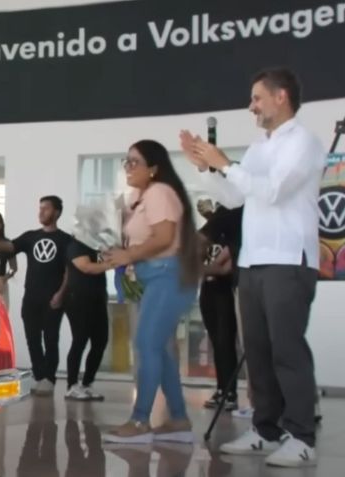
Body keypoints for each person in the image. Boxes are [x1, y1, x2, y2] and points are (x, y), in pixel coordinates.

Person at [181, 66, 325, 467]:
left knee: (286, 349)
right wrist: (207, 168)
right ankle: (266, 429)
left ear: (281, 97)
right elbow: (236, 197)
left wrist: (224, 162)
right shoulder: (260, 147)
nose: (251, 106)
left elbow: (274, 191)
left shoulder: (305, 143)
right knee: (258, 351)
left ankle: (301, 435)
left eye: (257, 98)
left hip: (288, 259)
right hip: (254, 260)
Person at [101, 140, 201, 444]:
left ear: (154, 169)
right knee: (161, 350)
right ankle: (179, 419)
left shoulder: (159, 192)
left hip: (167, 276)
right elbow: (146, 238)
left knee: (145, 344)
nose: (128, 168)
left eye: (135, 162)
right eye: (126, 162)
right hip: (156, 277)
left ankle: (141, 421)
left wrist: (129, 256)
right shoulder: (142, 197)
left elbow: (164, 237)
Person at [0, 196, 71, 396]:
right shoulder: (31, 236)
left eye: (46, 209)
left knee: (51, 338)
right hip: (31, 297)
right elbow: (10, 247)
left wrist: (61, 294)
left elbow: (69, 271)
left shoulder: (65, 240)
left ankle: (49, 378)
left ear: (56, 212)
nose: (41, 212)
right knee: (32, 338)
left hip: (54, 298)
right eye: (39, 208)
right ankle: (39, 376)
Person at [197, 199, 240, 411]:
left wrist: (198, 269)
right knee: (216, 340)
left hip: (225, 290)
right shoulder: (210, 235)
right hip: (207, 289)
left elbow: (224, 269)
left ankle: (230, 392)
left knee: (225, 340)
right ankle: (221, 388)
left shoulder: (231, 236)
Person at [62, 234, 114, 400]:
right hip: (77, 300)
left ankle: (87, 383)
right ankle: (72, 386)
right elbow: (87, 267)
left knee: (101, 340)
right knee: (80, 340)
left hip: (97, 300)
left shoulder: (97, 246)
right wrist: (113, 263)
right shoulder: (75, 245)